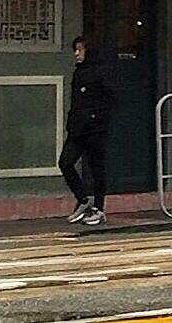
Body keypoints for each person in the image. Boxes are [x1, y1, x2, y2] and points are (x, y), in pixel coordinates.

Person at [58, 35, 115, 227]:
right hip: (77, 128)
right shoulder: (78, 73)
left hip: (95, 129)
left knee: (97, 168)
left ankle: (99, 209)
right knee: (65, 162)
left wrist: (96, 118)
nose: (76, 53)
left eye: (80, 49)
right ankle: (83, 200)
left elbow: (110, 99)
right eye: (75, 49)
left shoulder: (101, 72)